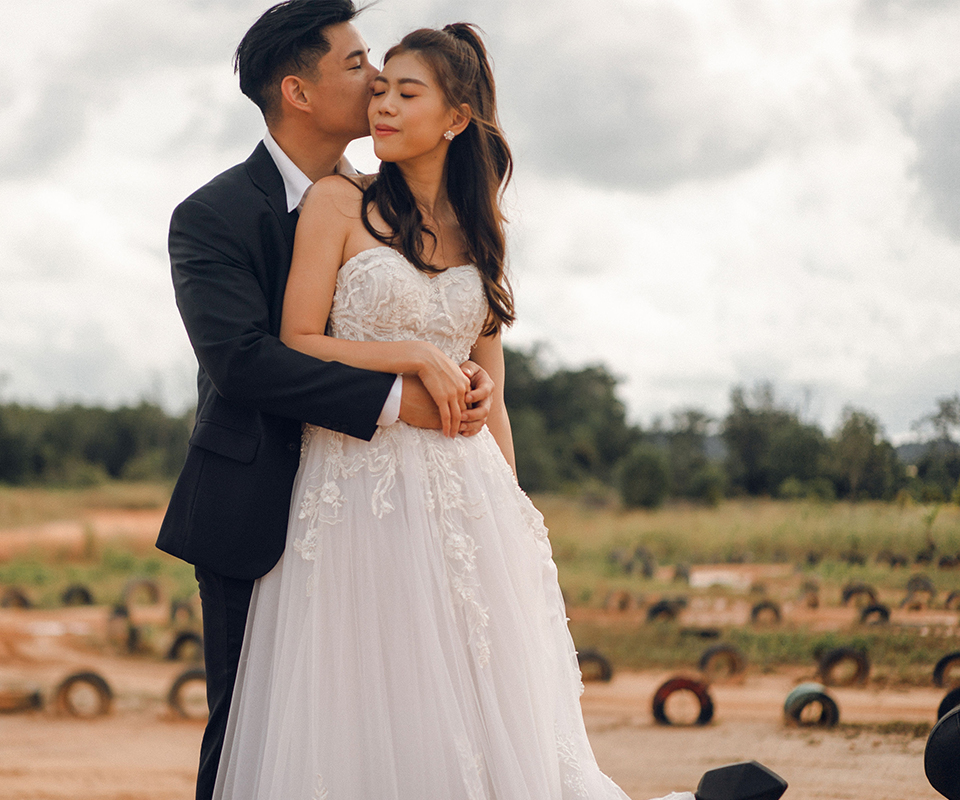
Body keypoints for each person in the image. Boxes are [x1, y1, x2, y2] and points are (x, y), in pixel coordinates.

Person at [212, 24, 696, 800]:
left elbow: (491, 393)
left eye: (408, 92)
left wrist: (515, 512)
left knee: (479, 698)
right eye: (380, 89)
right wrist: (414, 355)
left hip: (462, 496)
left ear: (457, 117)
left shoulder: (482, 233)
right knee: (369, 693)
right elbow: (298, 340)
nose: (385, 104)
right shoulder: (339, 204)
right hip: (356, 491)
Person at [159, 3, 494, 799]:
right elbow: (243, 363)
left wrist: (461, 370)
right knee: (252, 744)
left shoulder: (392, 200)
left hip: (392, 519)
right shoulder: (212, 216)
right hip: (259, 513)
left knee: (400, 731)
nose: (377, 79)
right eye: (355, 65)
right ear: (297, 92)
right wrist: (399, 395)